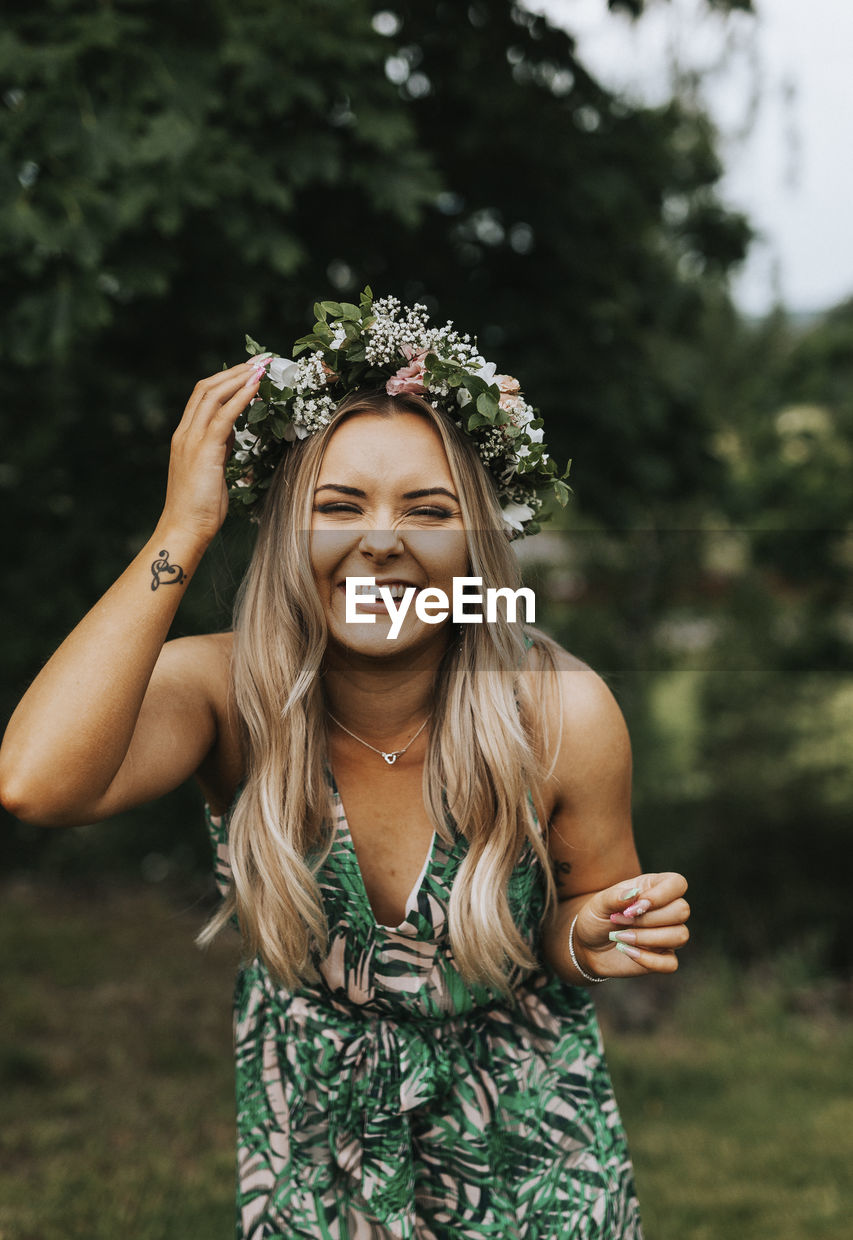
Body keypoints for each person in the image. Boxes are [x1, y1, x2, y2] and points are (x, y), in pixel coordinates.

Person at [0, 291, 689, 1240]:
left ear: (476, 545)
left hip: (530, 1149)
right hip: (314, 1144)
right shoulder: (225, 693)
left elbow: (582, 917)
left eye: (426, 509)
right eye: (337, 507)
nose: (379, 539)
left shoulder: (560, 711)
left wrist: (591, 939)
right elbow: (37, 782)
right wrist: (181, 529)